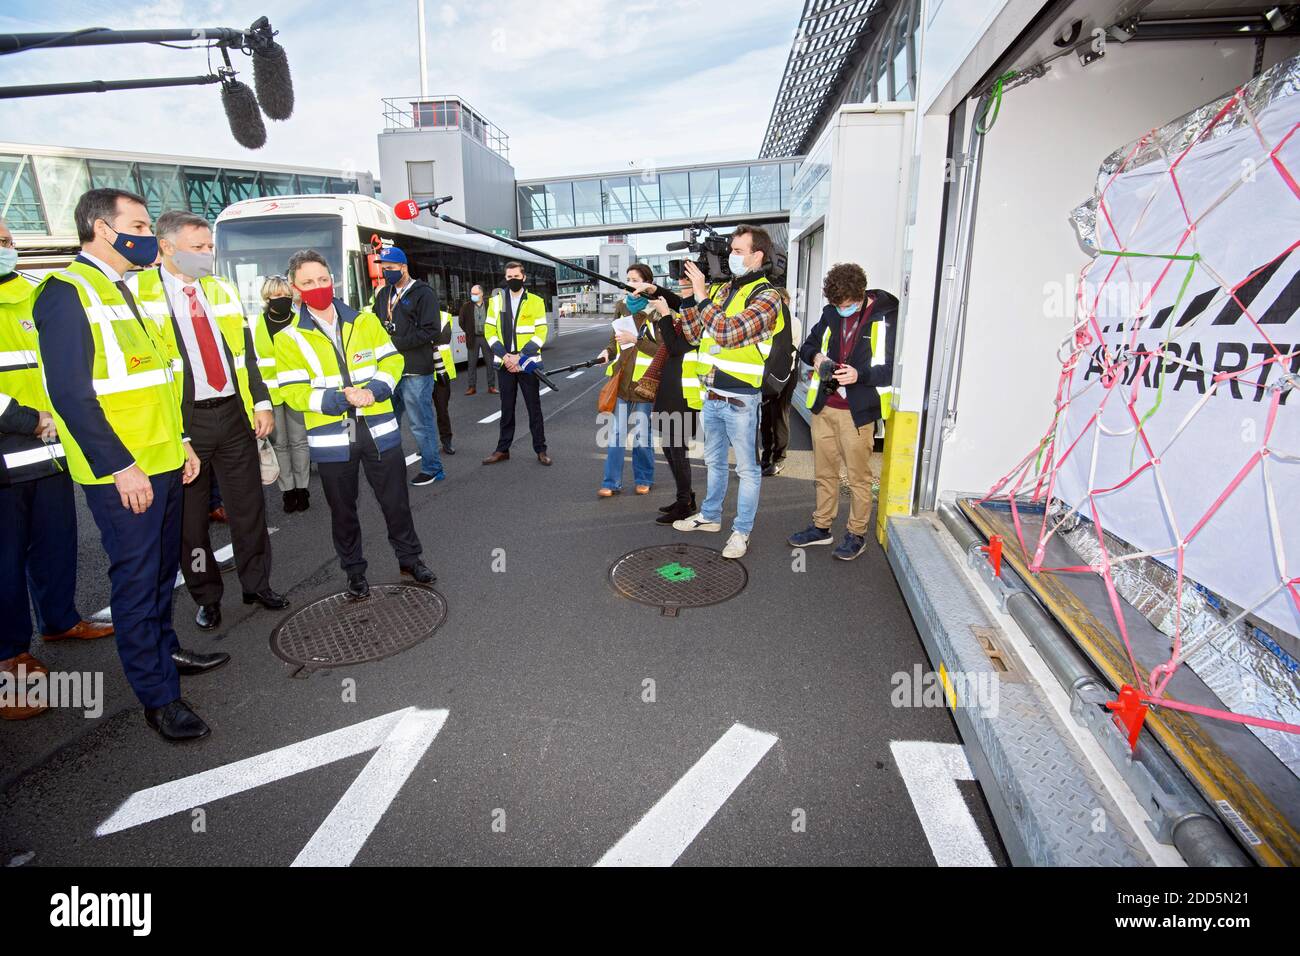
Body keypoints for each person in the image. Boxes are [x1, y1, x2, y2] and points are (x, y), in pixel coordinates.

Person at [34, 187, 225, 742]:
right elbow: (70, 395)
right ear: (101, 227)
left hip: (165, 459)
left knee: (163, 572)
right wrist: (121, 466)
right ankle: (159, 696)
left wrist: (183, 440)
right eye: (139, 226)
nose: (148, 237)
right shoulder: (66, 292)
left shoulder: (124, 288)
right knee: (137, 583)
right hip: (126, 474)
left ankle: (167, 654)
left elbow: (157, 380)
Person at [130, 210, 289, 632]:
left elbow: (245, 354)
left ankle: (257, 583)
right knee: (191, 521)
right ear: (166, 247)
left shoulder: (220, 290)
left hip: (233, 415)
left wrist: (261, 402)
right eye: (197, 248)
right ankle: (206, 594)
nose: (207, 254)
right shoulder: (136, 294)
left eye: (209, 247)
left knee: (248, 507)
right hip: (185, 425)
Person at [0, 217, 115, 720]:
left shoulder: (39, 291)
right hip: (9, 451)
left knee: (56, 540)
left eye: (5, 238)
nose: (5, 246)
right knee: (3, 563)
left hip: (50, 451)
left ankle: (60, 619)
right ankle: (10, 659)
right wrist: (32, 418)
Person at [274, 249, 435, 600]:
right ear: (294, 287)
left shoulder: (364, 321)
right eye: (307, 282)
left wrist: (375, 390)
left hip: (378, 428)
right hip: (333, 435)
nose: (317, 286)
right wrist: (340, 399)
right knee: (343, 510)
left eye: (322, 279)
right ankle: (355, 572)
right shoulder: (288, 338)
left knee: (396, 501)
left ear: (331, 279)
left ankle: (410, 560)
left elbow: (391, 360)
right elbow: (292, 391)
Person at [650, 224, 783, 559]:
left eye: (738, 251)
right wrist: (690, 298)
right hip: (711, 395)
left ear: (758, 256)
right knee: (714, 463)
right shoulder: (724, 292)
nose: (731, 257)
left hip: (741, 399)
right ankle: (709, 516)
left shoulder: (767, 297)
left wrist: (703, 295)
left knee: (748, 470)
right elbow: (695, 334)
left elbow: (726, 333)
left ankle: (741, 532)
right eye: (730, 251)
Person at [787, 262, 897, 561]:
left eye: (846, 305)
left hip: (857, 413)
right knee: (824, 474)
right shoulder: (830, 312)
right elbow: (807, 346)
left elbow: (891, 370)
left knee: (859, 479)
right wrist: (818, 355)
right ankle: (821, 527)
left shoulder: (885, 318)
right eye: (836, 305)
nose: (841, 309)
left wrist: (859, 375)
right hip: (825, 406)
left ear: (861, 297)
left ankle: (856, 535)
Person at [372, 246, 445, 486]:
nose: (386, 273)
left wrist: (396, 343)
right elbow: (374, 324)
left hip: (416, 370)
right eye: (384, 269)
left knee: (420, 423)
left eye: (391, 269)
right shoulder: (383, 294)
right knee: (388, 421)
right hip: (390, 371)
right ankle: (389, 467)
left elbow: (431, 330)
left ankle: (433, 468)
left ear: (403, 267)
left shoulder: (424, 293)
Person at [595, 264, 659, 497]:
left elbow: (662, 350)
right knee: (616, 433)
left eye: (635, 280)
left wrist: (636, 339)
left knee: (643, 434)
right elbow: (614, 340)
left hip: (645, 383)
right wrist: (607, 352)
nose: (629, 283)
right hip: (621, 380)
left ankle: (644, 478)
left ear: (646, 284)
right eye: (628, 279)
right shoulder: (621, 307)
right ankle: (611, 482)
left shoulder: (657, 310)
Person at [482, 261, 551, 466]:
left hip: (526, 363)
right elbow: (489, 331)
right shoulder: (496, 301)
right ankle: (502, 450)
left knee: (534, 409)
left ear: (524, 277)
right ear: (505, 277)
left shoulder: (536, 301)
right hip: (505, 363)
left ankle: (541, 450)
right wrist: (505, 356)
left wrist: (519, 357)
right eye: (509, 277)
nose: (512, 280)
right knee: (506, 409)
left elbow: (541, 333)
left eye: (516, 276)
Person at [252, 274, 311, 513]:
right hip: (271, 395)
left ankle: (303, 488)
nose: (282, 299)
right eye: (277, 296)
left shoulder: (301, 321)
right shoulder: (257, 324)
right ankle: (288, 491)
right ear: (267, 297)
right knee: (281, 445)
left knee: (299, 442)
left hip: (297, 393)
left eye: (286, 295)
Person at [648, 279, 702, 524]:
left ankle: (685, 503)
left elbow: (675, 346)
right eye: (681, 287)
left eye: (688, 286)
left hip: (684, 393)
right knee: (669, 448)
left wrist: (664, 317)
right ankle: (684, 496)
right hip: (671, 388)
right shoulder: (689, 311)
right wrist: (653, 289)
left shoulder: (699, 315)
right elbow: (677, 301)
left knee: (677, 449)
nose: (683, 294)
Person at [759, 342, 797, 476]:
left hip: (785, 374)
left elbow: (787, 351)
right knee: (765, 416)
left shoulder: (793, 322)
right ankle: (767, 455)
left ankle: (778, 459)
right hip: (766, 373)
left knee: (779, 416)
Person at [462, 284, 496, 394]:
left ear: (481, 294)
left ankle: (491, 386)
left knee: (490, 363)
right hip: (473, 338)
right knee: (471, 364)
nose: (473, 296)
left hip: (487, 337)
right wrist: (469, 331)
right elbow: (461, 321)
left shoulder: (490, 305)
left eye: (475, 294)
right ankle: (471, 387)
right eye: (472, 294)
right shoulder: (466, 306)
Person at [434, 304, 456, 456]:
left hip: (443, 370)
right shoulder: (414, 316)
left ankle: (446, 442)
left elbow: (444, 338)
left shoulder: (444, 317)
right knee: (423, 413)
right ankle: (426, 445)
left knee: (442, 409)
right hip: (422, 369)